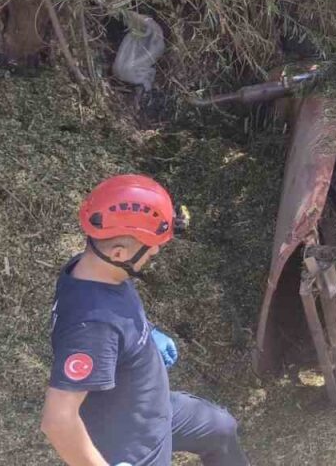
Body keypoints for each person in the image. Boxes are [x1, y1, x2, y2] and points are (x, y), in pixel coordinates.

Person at [40, 174, 249, 466]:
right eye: (150, 245)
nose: (156, 250)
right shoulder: (93, 328)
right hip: (133, 444)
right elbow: (58, 421)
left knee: (220, 428)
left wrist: (146, 333)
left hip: (151, 406)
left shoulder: (95, 268)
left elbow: (113, 314)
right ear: (118, 252)